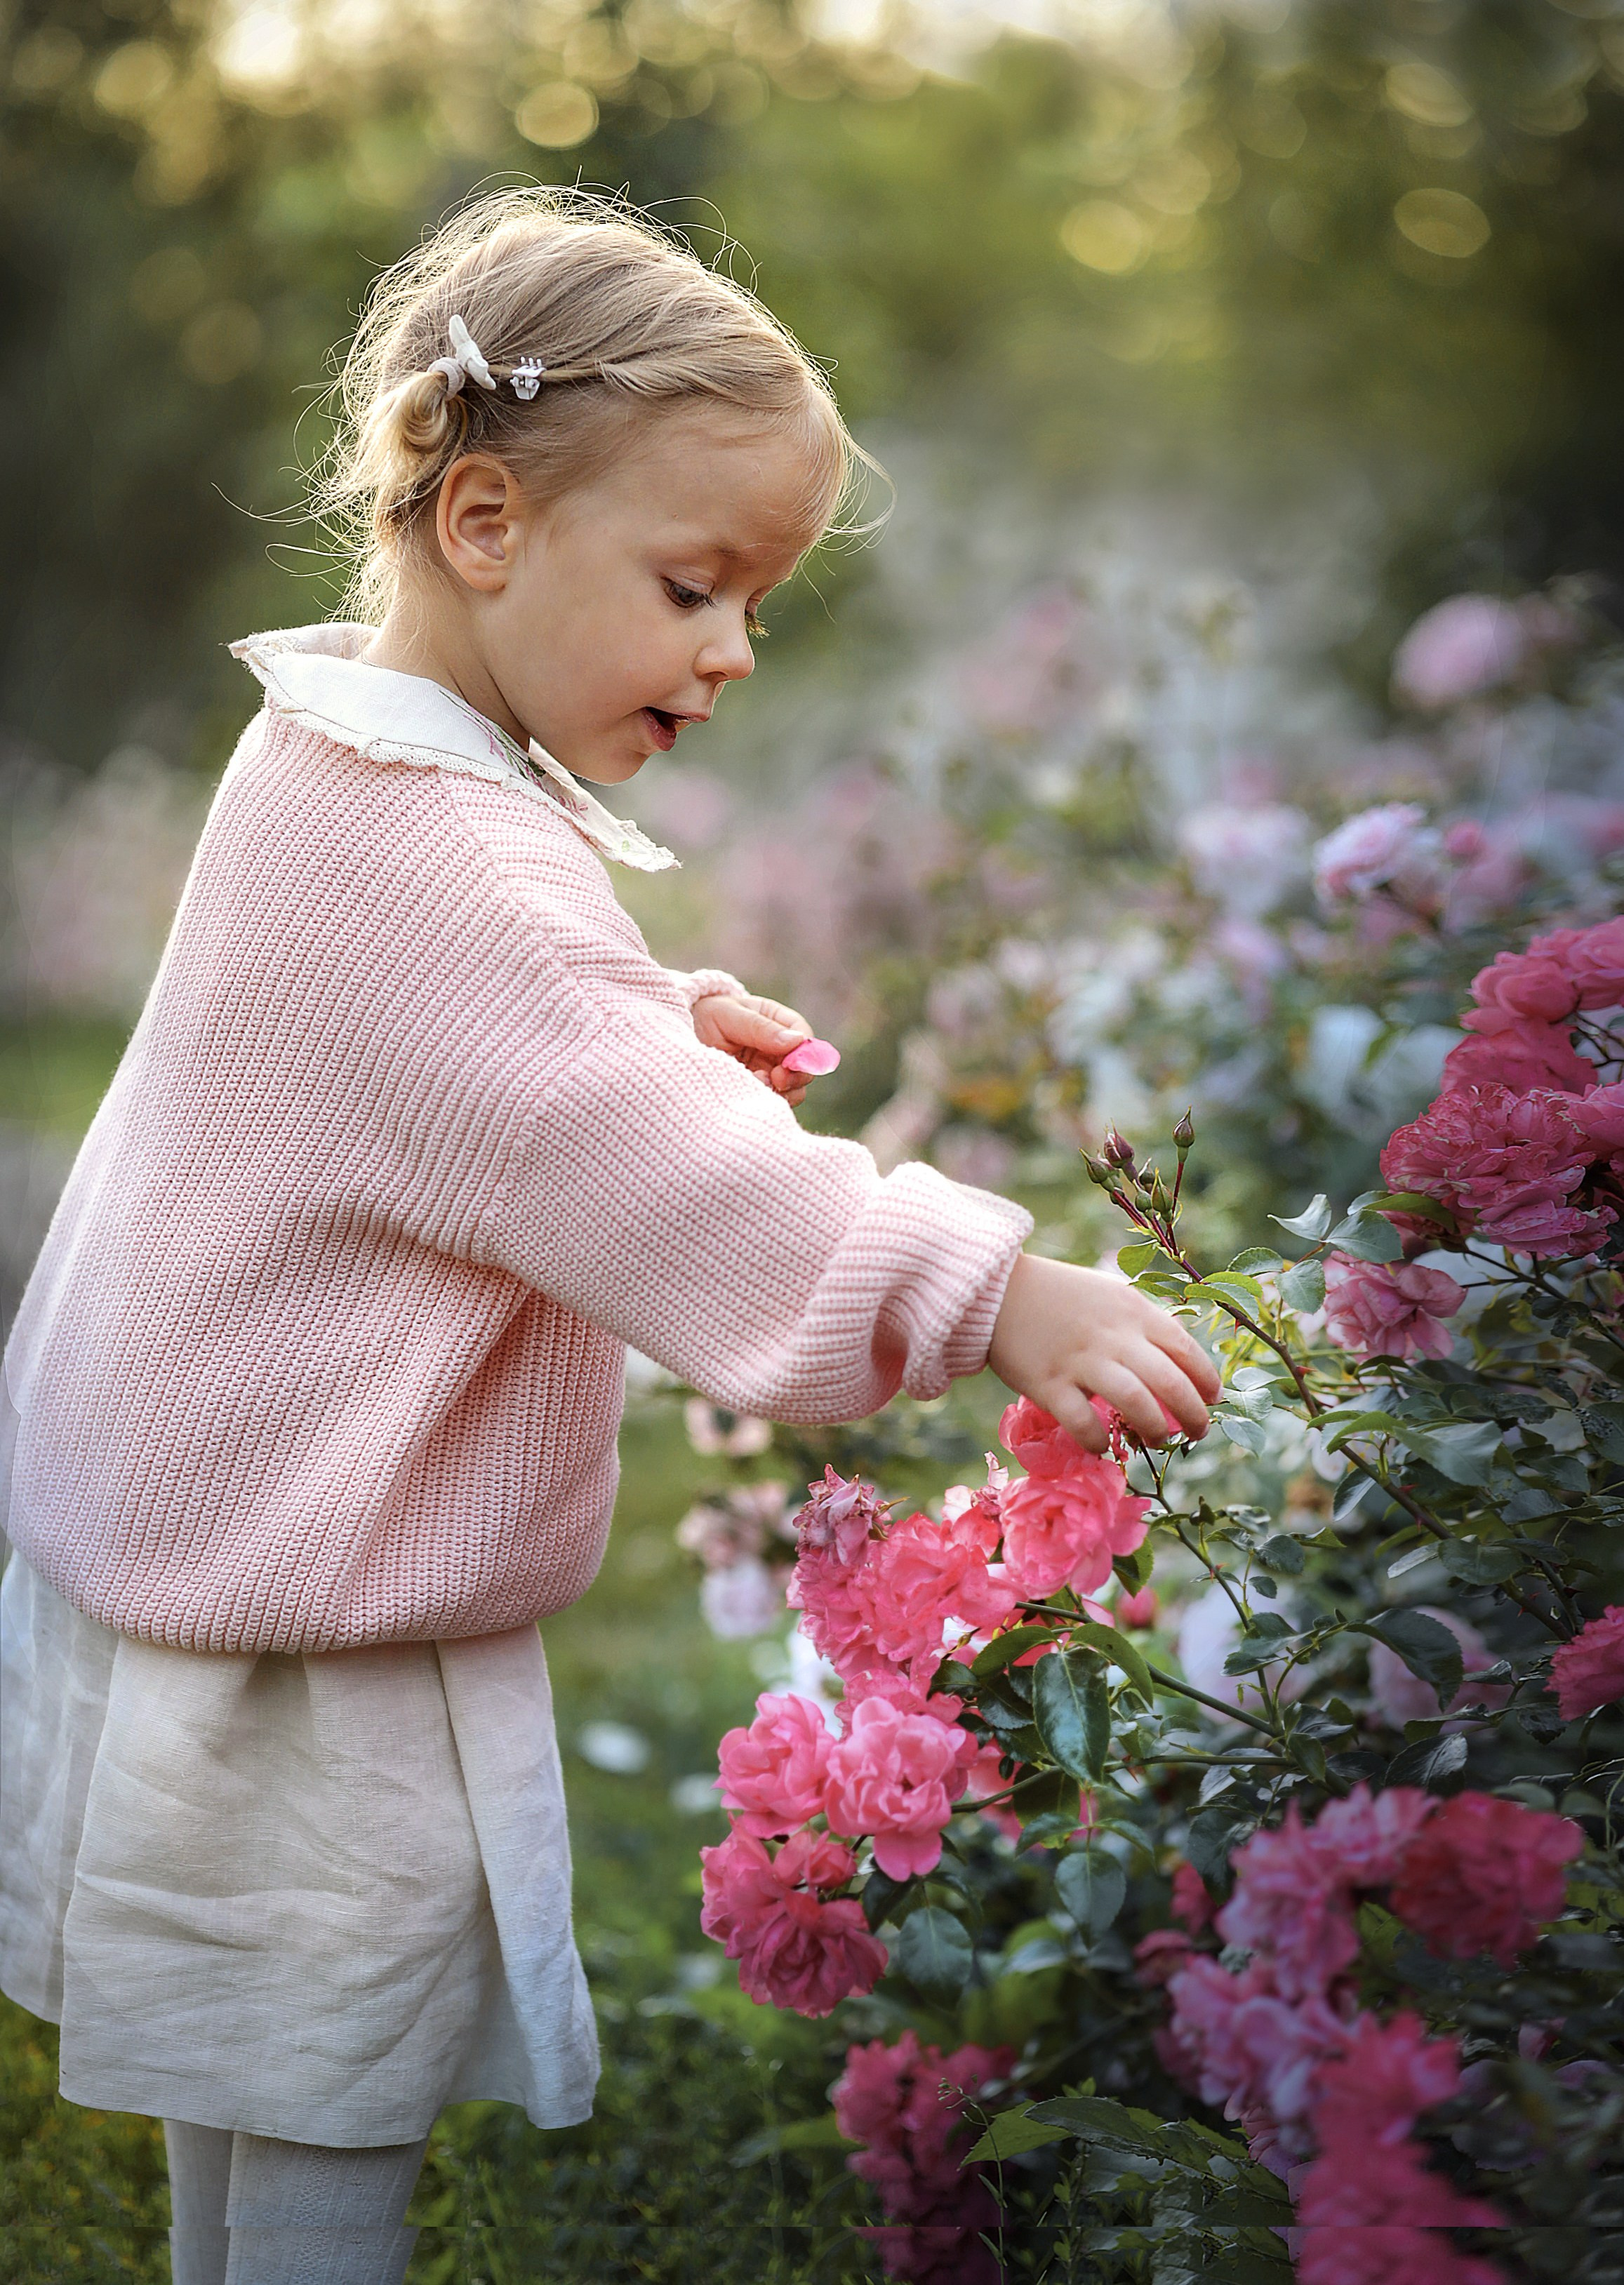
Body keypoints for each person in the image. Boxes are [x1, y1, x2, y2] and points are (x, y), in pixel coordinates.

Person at [0, 187, 1218, 2285]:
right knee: (331, 2092)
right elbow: (638, 1159)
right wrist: (998, 1289)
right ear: (487, 521)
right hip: (319, 1606)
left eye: (754, 603)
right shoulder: (449, 858)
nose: (731, 651)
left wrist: (640, 1019)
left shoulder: (327, 758)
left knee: (248, 2077)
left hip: (210, 1540)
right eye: (692, 585)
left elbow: (436, 1067)